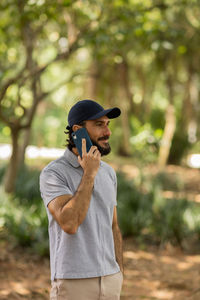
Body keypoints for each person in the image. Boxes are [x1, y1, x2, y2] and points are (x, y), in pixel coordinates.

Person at [40, 99, 124, 300]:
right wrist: (89, 174)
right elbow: (69, 223)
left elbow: (113, 226)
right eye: (99, 124)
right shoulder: (53, 173)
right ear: (78, 131)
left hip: (110, 279)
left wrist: (119, 271)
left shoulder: (109, 173)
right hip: (74, 282)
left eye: (107, 124)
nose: (107, 132)